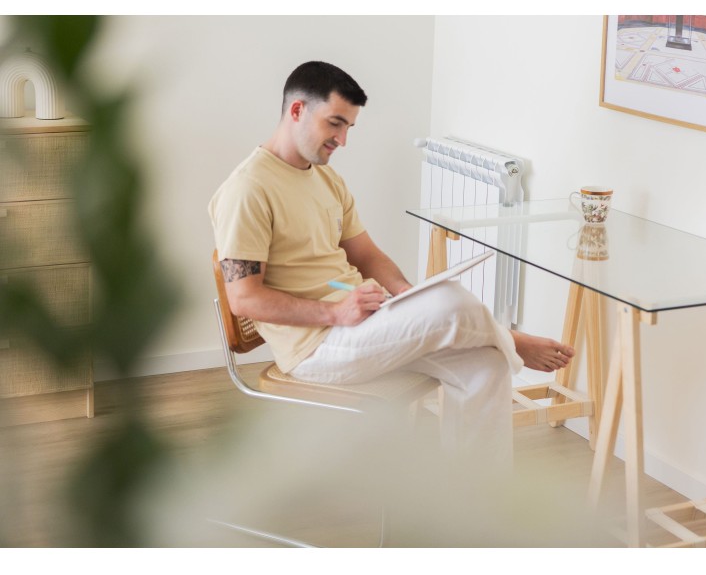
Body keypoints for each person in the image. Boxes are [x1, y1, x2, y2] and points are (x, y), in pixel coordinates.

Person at [208, 61, 574, 469]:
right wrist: (336, 313)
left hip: (365, 325)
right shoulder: (247, 189)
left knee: (485, 364)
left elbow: (367, 255)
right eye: (335, 124)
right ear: (297, 110)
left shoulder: (327, 180)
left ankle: (474, 502)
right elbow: (244, 299)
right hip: (316, 347)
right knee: (452, 301)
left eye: (349, 127)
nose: (342, 140)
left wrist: (409, 297)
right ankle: (514, 341)